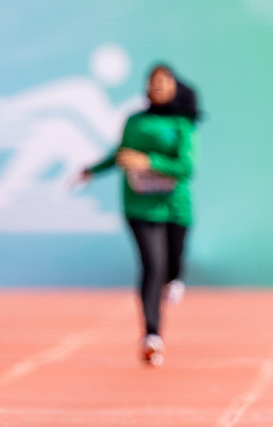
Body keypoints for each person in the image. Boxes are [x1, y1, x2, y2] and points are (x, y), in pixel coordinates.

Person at [80, 65, 199, 367]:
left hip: (174, 208)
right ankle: (151, 335)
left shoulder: (182, 124)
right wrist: (91, 170)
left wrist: (148, 161)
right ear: (146, 87)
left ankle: (175, 279)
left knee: (171, 268)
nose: (158, 86)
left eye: (164, 81)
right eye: (153, 82)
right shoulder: (134, 121)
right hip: (139, 206)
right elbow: (119, 153)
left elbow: (185, 167)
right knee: (152, 266)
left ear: (175, 87)